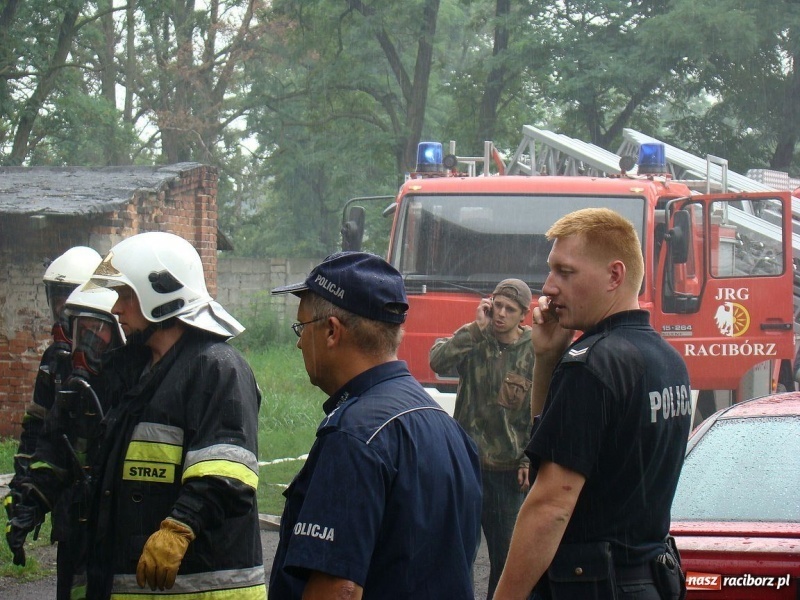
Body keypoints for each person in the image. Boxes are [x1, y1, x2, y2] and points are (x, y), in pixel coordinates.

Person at [494, 208, 691, 600]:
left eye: (565, 272)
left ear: (614, 276)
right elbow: (557, 444)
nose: (548, 287)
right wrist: (547, 360)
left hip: (593, 586)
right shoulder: (668, 361)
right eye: (551, 270)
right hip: (651, 581)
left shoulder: (593, 365)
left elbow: (551, 505)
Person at [269, 251, 483, 599]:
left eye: (301, 326)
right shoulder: (448, 427)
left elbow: (338, 588)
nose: (298, 342)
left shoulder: (354, 435)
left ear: (331, 332)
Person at [80, 231, 266, 599]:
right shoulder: (134, 372)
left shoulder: (216, 368)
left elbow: (227, 469)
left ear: (160, 295)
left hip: (203, 588)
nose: (116, 309)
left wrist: (180, 526)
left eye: (125, 295)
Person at [6, 284, 138, 600]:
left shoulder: (137, 389)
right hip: (76, 519)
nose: (86, 344)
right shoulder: (74, 392)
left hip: (122, 526)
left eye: (97, 331)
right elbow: (51, 452)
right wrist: (32, 504)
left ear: (118, 336)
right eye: (81, 331)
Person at [429, 278, 534, 599]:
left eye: (510, 309)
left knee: (505, 561)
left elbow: (543, 409)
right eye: (497, 305)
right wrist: (475, 328)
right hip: (467, 468)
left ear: (522, 316)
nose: (501, 314)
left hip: (507, 472)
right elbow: (437, 362)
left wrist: (530, 457)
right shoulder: (475, 338)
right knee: (458, 555)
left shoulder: (533, 352)